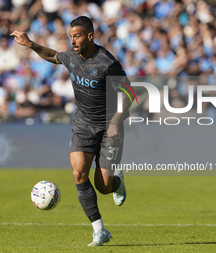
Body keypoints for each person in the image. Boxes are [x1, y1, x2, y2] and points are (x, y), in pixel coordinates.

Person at [11, 16, 132, 246]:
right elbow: (53, 56)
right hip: (83, 125)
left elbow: (129, 94)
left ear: (89, 36)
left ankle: (117, 180)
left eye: (76, 36)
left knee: (103, 187)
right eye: (70, 37)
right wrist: (31, 44)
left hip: (109, 128)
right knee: (78, 174)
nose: (73, 41)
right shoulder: (72, 57)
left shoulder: (107, 62)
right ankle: (99, 230)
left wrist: (117, 119)